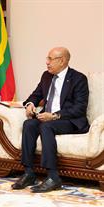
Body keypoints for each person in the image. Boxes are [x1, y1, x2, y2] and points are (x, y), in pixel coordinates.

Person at [11, 47, 89, 193]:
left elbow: (79, 108)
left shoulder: (78, 79)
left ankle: (53, 177)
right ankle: (29, 173)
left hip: (69, 120)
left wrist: (54, 116)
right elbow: (34, 95)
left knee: (46, 127)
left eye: (50, 59)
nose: (47, 62)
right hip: (48, 118)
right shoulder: (46, 76)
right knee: (29, 124)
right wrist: (30, 105)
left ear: (62, 61)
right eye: (47, 58)